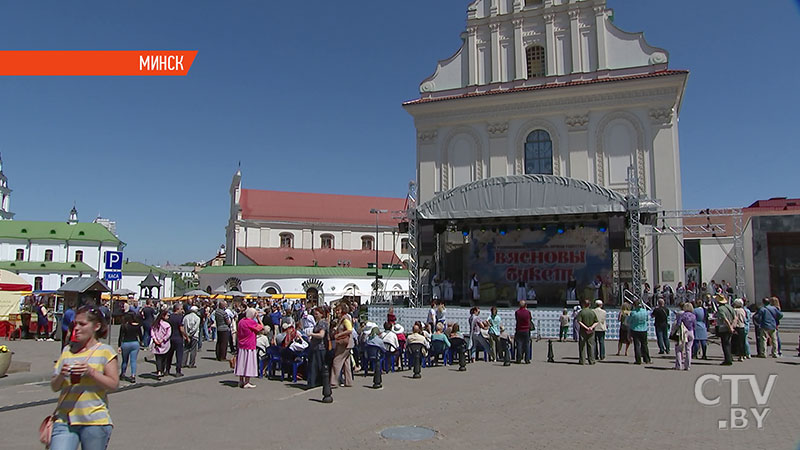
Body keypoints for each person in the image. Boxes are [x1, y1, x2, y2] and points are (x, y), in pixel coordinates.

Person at [50, 305, 119, 450]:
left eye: (82, 324)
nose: (76, 328)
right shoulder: (68, 350)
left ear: (96, 326)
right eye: (75, 324)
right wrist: (62, 374)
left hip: (94, 421)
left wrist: (91, 372)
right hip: (65, 420)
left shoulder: (105, 351)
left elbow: (113, 384)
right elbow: (54, 387)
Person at [234, 308, 263, 389]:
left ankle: (241, 380)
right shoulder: (251, 322)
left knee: (241, 363)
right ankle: (247, 381)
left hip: (241, 344)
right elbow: (261, 327)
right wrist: (258, 318)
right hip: (250, 344)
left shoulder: (241, 321)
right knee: (248, 364)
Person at [330, 304, 354, 387]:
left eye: (338, 310)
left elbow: (349, 330)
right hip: (348, 344)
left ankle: (333, 381)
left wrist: (338, 335)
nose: (336, 312)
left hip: (344, 343)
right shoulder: (343, 318)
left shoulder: (345, 319)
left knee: (336, 361)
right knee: (346, 363)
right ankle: (348, 381)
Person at [307, 307, 329, 388]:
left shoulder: (322, 323)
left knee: (318, 365)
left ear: (321, 314)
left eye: (317, 314)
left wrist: (311, 334)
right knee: (314, 365)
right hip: (315, 347)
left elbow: (321, 335)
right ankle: (314, 382)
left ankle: (318, 382)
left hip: (320, 347)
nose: (315, 315)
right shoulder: (318, 322)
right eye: (314, 314)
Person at [117, 312, 141, 383]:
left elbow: (120, 336)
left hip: (126, 343)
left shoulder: (124, 325)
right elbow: (140, 335)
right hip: (135, 343)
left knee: (125, 360)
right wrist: (141, 342)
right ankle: (133, 376)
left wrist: (119, 346)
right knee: (133, 360)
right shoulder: (137, 325)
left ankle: (123, 374)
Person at [165, 304, 188, 377]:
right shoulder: (180, 317)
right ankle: (178, 371)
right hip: (178, 338)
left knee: (169, 355)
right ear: (177, 309)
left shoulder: (169, 317)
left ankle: (167, 370)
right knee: (179, 355)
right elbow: (181, 329)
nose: (182, 310)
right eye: (181, 309)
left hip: (170, 337)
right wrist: (186, 336)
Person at [672, 302, 696, 370]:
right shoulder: (693, 316)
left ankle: (678, 365)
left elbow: (678, 324)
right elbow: (695, 325)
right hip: (691, 331)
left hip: (683, 332)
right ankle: (687, 366)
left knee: (679, 349)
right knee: (688, 349)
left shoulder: (682, 315)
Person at [150, 307, 171, 378]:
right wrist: (163, 339)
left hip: (156, 343)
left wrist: (155, 339)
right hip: (164, 343)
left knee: (158, 358)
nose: (168, 317)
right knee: (164, 358)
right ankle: (162, 370)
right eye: (167, 315)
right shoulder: (167, 325)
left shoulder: (155, 324)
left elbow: (152, 332)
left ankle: (159, 370)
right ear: (163, 316)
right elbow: (168, 334)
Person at [576, 299, 598, 365]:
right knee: (591, 345)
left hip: (583, 330)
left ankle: (582, 360)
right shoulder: (592, 312)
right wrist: (591, 327)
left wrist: (586, 327)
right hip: (591, 331)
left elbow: (579, 321)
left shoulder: (581, 312)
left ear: (583, 304)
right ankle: (591, 360)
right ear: (589, 305)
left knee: (582, 345)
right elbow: (596, 321)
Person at [715, 295, 735, 365]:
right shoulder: (730, 307)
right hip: (731, 326)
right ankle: (730, 357)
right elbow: (735, 317)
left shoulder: (720, 309)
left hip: (724, 328)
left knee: (725, 344)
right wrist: (733, 326)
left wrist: (730, 327)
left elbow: (725, 319)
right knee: (729, 343)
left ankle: (728, 360)